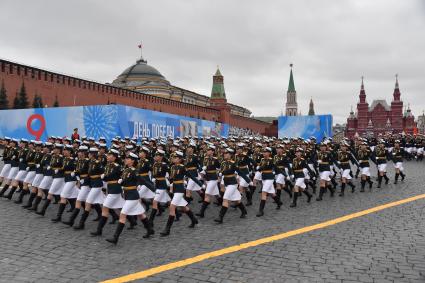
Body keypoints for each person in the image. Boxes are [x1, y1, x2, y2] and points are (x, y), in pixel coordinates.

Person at [106, 152, 154, 244]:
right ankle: (150, 229)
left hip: (133, 196)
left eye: (128, 159)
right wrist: (122, 182)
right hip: (128, 195)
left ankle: (115, 237)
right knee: (141, 214)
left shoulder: (134, 171)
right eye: (125, 158)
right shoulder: (126, 170)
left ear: (132, 161)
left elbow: (144, 181)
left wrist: (154, 190)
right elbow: (126, 182)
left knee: (123, 214)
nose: (125, 160)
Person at [160, 151, 198, 236]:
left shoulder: (182, 167)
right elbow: (172, 178)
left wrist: (200, 184)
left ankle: (167, 229)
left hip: (180, 189)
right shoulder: (172, 167)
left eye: (176, 157)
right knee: (183, 207)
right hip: (175, 188)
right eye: (173, 157)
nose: (174, 159)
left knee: (172, 207)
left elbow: (191, 176)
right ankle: (193, 219)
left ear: (180, 159)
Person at [214, 148, 247, 223]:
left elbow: (238, 172)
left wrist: (248, 180)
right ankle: (244, 211)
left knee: (225, 199)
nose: (225, 154)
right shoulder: (223, 163)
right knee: (237, 200)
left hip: (232, 183)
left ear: (231, 155)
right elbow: (222, 170)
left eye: (227, 153)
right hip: (227, 183)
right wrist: (220, 173)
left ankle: (220, 217)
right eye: (224, 153)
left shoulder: (233, 163)